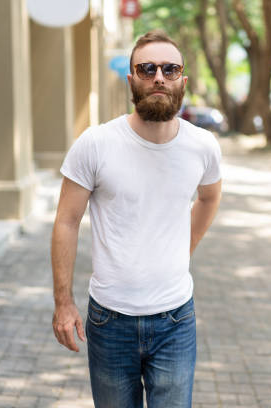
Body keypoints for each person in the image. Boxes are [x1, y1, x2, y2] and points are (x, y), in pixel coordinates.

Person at [50, 30, 222, 408]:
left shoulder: (202, 146)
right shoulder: (95, 144)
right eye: (147, 68)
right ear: (132, 80)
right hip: (109, 322)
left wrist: (183, 248)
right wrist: (63, 301)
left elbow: (209, 198)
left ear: (182, 80)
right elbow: (65, 221)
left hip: (175, 319)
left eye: (169, 68)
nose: (158, 76)